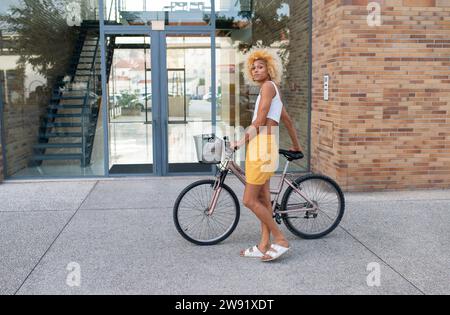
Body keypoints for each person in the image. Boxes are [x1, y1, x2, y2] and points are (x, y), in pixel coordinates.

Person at [230, 48, 304, 262]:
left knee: (249, 200)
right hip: (264, 145)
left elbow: (260, 120)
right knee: (263, 199)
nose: (255, 70)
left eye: (260, 66)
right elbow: (287, 120)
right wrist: (297, 145)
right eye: (253, 67)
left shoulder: (268, 87)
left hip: (262, 146)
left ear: (270, 68)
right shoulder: (273, 91)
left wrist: (238, 142)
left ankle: (280, 239)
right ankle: (264, 244)